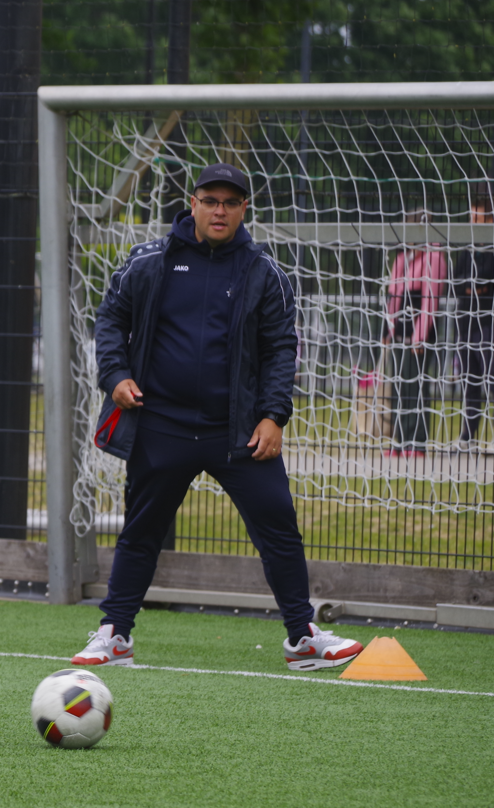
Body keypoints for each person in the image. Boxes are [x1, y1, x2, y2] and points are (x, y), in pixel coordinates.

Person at [72, 162, 362, 672]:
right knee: (141, 531)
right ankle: (114, 632)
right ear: (193, 203)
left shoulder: (263, 271)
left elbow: (280, 349)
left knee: (279, 526)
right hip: (160, 423)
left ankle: (302, 637)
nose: (220, 210)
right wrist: (114, 376)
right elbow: (111, 320)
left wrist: (274, 416)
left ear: (244, 208)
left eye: (230, 202)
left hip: (239, 432)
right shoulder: (149, 260)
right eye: (210, 200)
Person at [383, 208, 446, 456]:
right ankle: (398, 441)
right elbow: (393, 296)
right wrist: (387, 329)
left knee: (416, 386)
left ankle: (416, 442)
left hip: (420, 335)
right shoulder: (402, 258)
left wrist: (419, 337)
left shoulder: (434, 257)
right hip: (398, 331)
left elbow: (430, 301)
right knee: (398, 386)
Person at [453, 181, 494, 447]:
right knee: (470, 382)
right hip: (466, 321)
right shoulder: (466, 248)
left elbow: (487, 284)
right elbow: (456, 281)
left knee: (490, 377)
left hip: (488, 321)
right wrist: (470, 289)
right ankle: (468, 436)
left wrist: (479, 288)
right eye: (471, 216)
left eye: (477, 217)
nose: (473, 221)